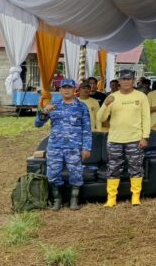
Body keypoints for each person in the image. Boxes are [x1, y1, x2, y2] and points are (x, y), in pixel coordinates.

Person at [34, 78, 91, 211]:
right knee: (52, 174)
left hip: (74, 147)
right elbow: (37, 124)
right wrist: (44, 112)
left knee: (76, 173)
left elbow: (87, 130)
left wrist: (87, 147)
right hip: (55, 146)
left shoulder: (81, 107)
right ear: (59, 90)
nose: (66, 90)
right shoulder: (53, 105)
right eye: (64, 88)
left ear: (74, 90)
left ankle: (74, 199)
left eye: (69, 88)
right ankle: (57, 199)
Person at [97, 69, 151, 207]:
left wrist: (145, 137)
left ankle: (135, 196)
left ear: (133, 81)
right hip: (115, 139)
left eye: (129, 79)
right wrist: (105, 104)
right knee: (113, 168)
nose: (126, 81)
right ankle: (111, 198)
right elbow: (101, 118)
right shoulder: (112, 97)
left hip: (134, 139)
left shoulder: (141, 96)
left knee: (136, 167)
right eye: (123, 79)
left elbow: (146, 118)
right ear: (119, 81)